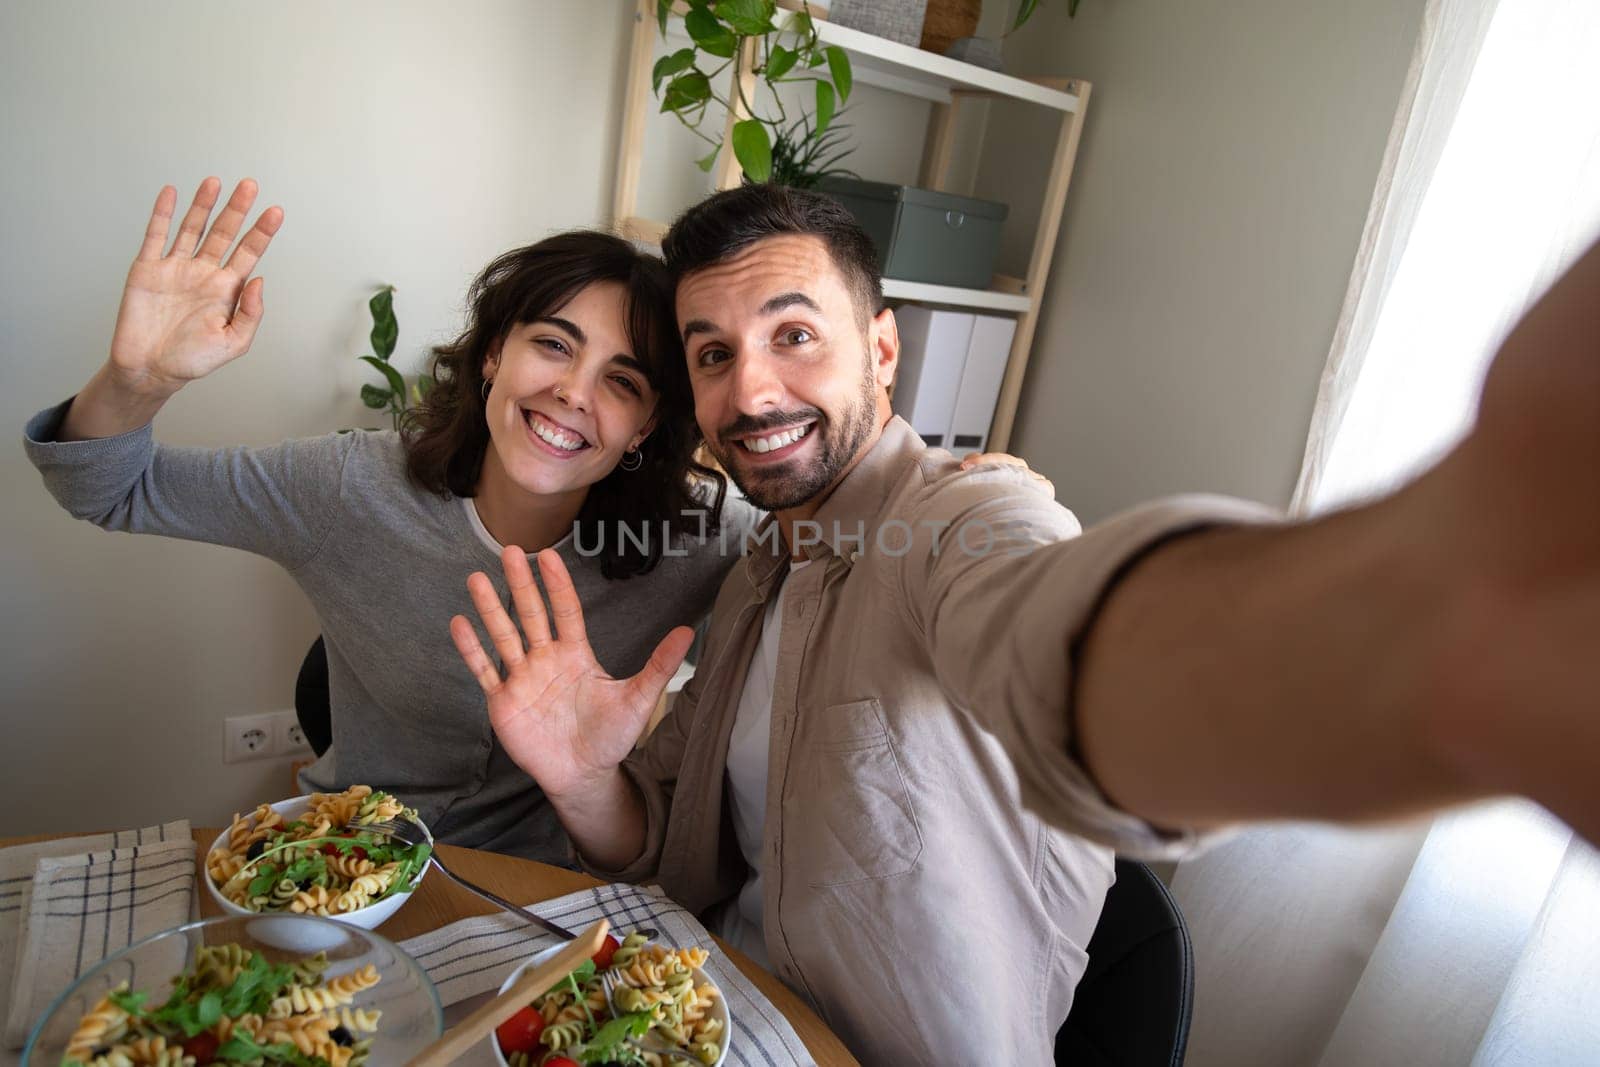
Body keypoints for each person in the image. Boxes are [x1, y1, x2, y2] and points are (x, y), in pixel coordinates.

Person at [450, 183, 1600, 1063]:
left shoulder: (966, 516)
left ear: (882, 350)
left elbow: (1057, 632)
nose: (750, 392)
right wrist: (585, 775)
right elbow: (667, 850)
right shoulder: (758, 575)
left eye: (793, 333)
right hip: (708, 1014)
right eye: (713, 354)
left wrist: (1415, 637)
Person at [23, 177, 747, 863]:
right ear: (495, 353)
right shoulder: (350, 486)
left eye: (621, 381)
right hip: (347, 866)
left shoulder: (686, 541)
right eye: (554, 344)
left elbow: (836, 535)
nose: (571, 392)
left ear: (648, 425)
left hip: (536, 896)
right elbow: (112, 489)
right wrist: (136, 382)